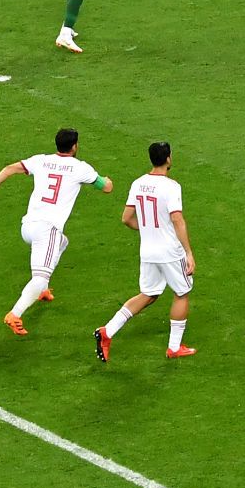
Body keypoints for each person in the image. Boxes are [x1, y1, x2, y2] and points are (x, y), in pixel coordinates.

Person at [0, 128, 114, 337]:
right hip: (48, 229)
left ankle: (42, 291)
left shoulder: (41, 160)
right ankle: (15, 314)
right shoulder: (80, 168)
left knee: (62, 243)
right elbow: (107, 187)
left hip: (28, 226)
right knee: (40, 277)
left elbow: (10, 168)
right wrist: (106, 180)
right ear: (75, 146)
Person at [95, 142, 198, 362]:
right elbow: (177, 219)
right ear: (168, 159)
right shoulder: (171, 186)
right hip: (170, 251)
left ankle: (108, 331)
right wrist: (188, 252)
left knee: (149, 294)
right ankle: (174, 347)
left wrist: (149, 230)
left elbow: (126, 218)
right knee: (182, 292)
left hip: (148, 251)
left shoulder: (138, 183)